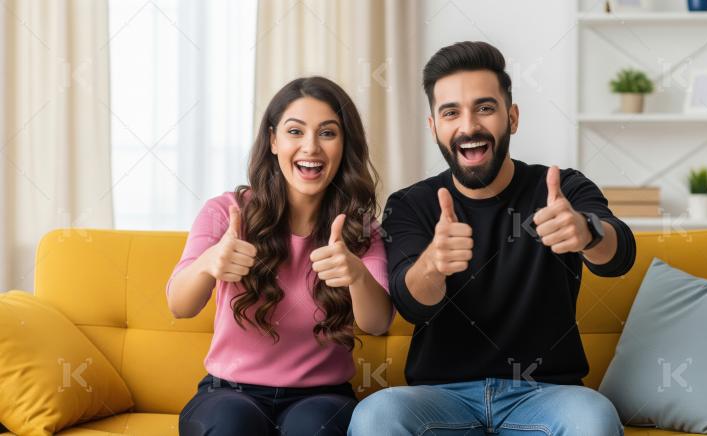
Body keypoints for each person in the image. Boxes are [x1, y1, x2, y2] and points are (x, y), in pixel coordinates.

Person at [349, 41, 636, 435]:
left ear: (512, 118)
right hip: (440, 398)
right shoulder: (410, 204)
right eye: (451, 113)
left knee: (596, 418)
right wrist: (433, 264)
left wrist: (586, 234)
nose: (469, 127)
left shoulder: (561, 188)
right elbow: (412, 303)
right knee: (374, 416)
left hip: (547, 396)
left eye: (485, 108)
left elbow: (618, 256)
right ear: (434, 126)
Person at [167, 76, 393, 436]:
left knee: (313, 428)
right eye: (295, 132)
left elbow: (378, 322)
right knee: (230, 425)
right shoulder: (225, 212)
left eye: (328, 133)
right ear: (273, 140)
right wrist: (209, 263)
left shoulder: (361, 227)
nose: (311, 147)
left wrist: (356, 275)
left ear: (344, 144)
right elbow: (180, 305)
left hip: (323, 396)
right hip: (228, 392)